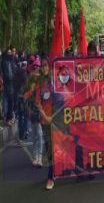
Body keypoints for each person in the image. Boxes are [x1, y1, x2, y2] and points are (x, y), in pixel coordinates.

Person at [35, 57, 54, 189]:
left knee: (58, 146)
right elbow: (37, 103)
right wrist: (46, 117)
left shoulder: (55, 81)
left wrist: (54, 116)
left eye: (47, 65)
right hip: (45, 121)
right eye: (43, 66)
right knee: (49, 149)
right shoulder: (39, 84)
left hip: (57, 120)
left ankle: (52, 175)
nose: (45, 67)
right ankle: (51, 176)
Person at [24, 59, 43, 167]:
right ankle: (35, 157)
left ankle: (39, 157)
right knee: (36, 134)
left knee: (39, 135)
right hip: (33, 112)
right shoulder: (29, 84)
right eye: (35, 68)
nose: (36, 71)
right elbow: (25, 98)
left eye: (38, 68)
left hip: (40, 112)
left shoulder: (42, 83)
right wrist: (28, 109)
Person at [1, 48, 17, 125]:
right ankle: (6, 119)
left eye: (11, 52)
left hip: (12, 85)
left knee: (11, 102)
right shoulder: (4, 62)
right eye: (9, 52)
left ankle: (9, 118)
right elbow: (6, 74)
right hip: (6, 85)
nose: (10, 54)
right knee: (6, 102)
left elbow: (14, 71)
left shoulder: (11, 61)